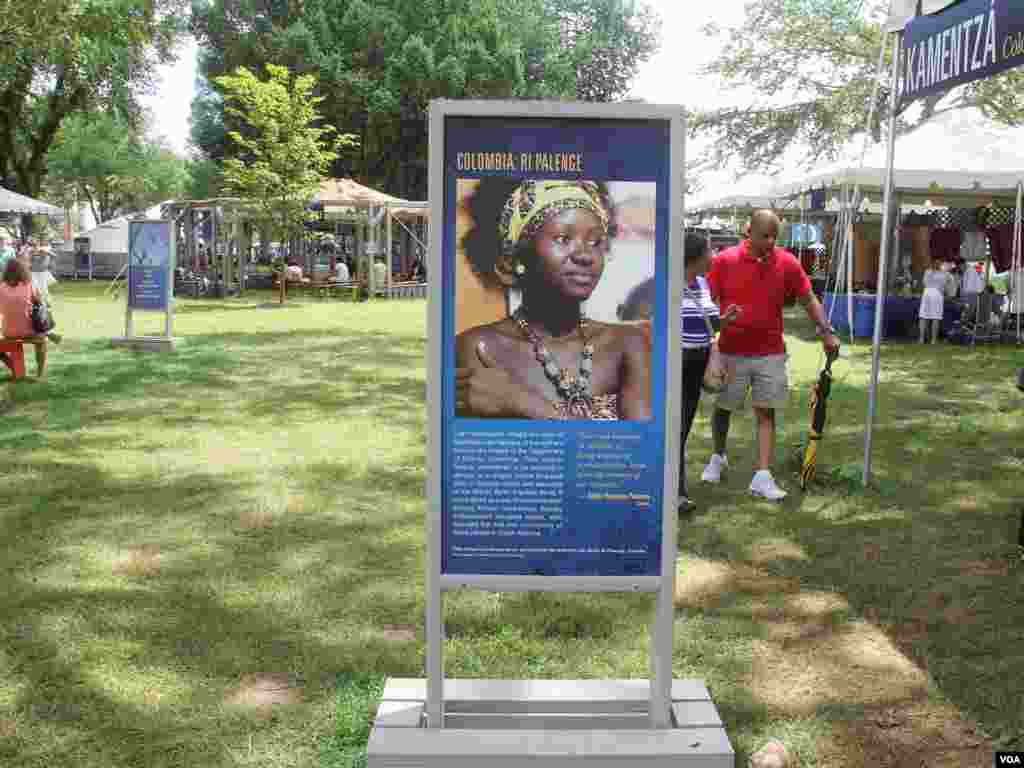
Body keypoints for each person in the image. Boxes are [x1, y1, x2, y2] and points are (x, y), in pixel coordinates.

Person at [456, 178, 650, 421]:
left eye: (596, 242)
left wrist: (520, 401)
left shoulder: (628, 344)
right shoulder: (478, 347)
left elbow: (640, 451)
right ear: (510, 264)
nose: (585, 255)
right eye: (563, 239)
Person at [701, 210, 840, 501]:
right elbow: (705, 301)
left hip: (770, 352)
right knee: (724, 408)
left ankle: (762, 475)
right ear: (747, 231)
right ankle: (718, 455)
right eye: (765, 235)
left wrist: (826, 331)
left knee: (766, 411)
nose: (770, 241)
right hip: (732, 350)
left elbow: (808, 297)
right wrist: (717, 322)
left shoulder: (787, 262)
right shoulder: (724, 261)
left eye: (775, 236)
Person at [678, 233, 739, 513]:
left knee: (683, 428)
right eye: (709, 251)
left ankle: (675, 489)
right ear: (695, 257)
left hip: (697, 364)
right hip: (676, 363)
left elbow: (706, 323)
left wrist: (724, 320)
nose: (713, 256)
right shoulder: (667, 286)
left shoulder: (702, 283)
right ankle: (676, 493)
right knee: (675, 430)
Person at [0, 259, 60, 379]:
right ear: (23, 270)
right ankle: (40, 373)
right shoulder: (29, 285)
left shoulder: (1, 287)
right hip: (30, 332)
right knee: (41, 343)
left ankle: (16, 369)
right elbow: (40, 303)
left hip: (9, 332)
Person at [918, 256, 951, 344]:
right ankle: (933, 340)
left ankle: (921, 339)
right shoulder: (945, 273)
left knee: (923, 316)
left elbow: (924, 283)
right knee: (935, 317)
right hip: (937, 293)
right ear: (940, 263)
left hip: (927, 292)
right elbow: (947, 285)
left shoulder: (927, 272)